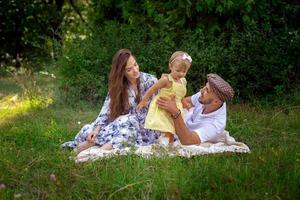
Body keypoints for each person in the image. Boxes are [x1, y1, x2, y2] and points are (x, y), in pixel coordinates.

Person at [61, 49, 159, 154]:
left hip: (144, 128)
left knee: (129, 122)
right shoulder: (118, 87)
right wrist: (96, 130)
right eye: (129, 69)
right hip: (122, 125)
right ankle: (94, 145)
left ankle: (94, 151)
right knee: (90, 130)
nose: (135, 70)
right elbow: (106, 111)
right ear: (122, 72)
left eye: (135, 65)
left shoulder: (151, 81)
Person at [156, 73, 234, 145]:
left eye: (207, 90)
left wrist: (175, 112)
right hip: (185, 119)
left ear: (216, 102)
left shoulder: (215, 125)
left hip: (186, 133)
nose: (201, 90)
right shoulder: (204, 97)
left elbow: (188, 141)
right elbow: (185, 101)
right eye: (205, 87)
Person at [137, 51, 192, 143]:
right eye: (178, 71)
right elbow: (152, 89)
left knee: (172, 130)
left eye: (184, 71)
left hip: (176, 108)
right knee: (167, 129)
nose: (181, 74)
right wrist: (144, 100)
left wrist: (185, 103)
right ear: (170, 66)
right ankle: (165, 146)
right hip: (164, 108)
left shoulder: (183, 81)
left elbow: (181, 95)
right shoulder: (166, 80)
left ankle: (169, 144)